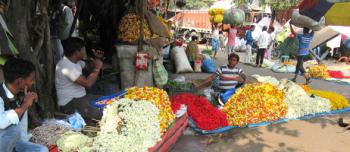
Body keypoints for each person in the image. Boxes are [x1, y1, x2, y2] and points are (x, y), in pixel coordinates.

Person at [0, 58, 48, 152]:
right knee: (14, 131)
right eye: (31, 79)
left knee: (42, 150)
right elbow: (1, 122)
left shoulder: (20, 95)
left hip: (12, 144)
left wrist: (25, 103)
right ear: (19, 81)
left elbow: (22, 129)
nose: (33, 82)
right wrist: (25, 105)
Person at [55, 37, 104, 120]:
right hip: (70, 103)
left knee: (105, 101)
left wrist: (97, 58)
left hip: (80, 98)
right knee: (103, 113)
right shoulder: (65, 66)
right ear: (77, 51)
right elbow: (88, 83)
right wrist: (97, 69)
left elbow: (89, 66)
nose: (84, 52)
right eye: (83, 50)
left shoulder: (76, 62)